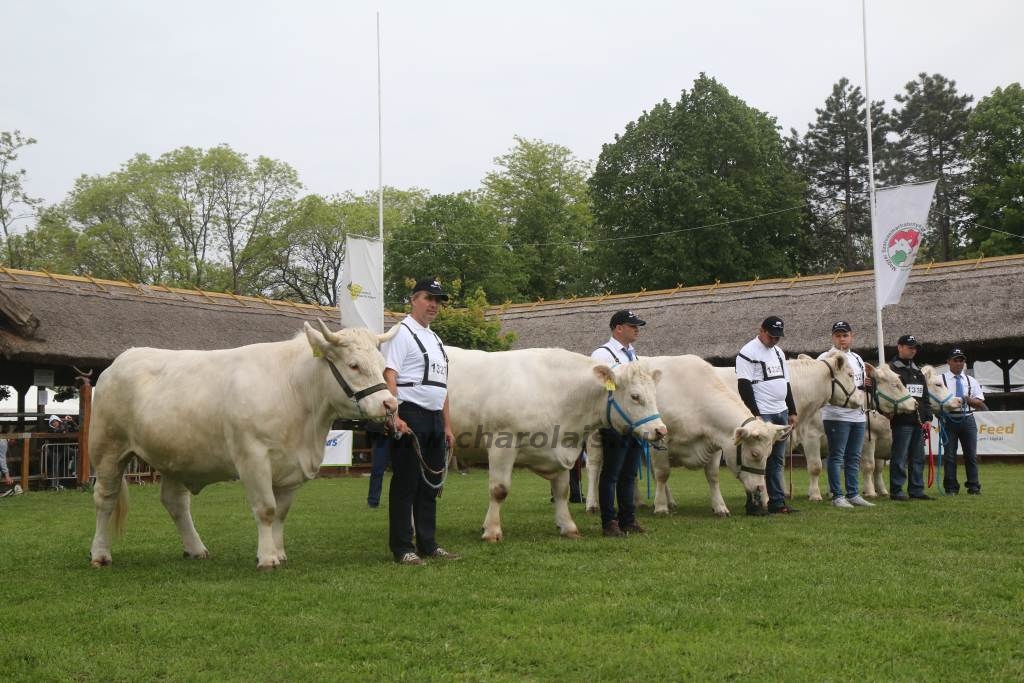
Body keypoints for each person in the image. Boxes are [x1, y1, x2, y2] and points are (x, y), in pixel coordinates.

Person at [382, 277, 458, 565]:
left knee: (431, 483)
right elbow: (390, 375)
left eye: (438, 300)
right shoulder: (400, 333)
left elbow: (442, 386)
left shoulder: (435, 339)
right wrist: (395, 415)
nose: (434, 305)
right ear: (413, 299)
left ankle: (428, 543)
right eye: (428, 298)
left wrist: (447, 426)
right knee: (406, 483)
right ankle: (403, 547)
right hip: (410, 414)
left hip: (434, 418)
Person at [591, 309, 647, 536]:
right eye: (632, 326)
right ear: (618, 328)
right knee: (612, 473)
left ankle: (628, 519)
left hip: (633, 420)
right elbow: (598, 386)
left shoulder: (633, 354)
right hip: (614, 421)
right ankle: (609, 522)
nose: (637, 330)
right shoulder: (602, 354)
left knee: (629, 473)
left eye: (637, 326)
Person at [736, 315, 799, 514]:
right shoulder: (748, 352)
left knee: (777, 459)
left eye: (777, 337)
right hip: (763, 414)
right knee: (759, 459)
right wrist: (756, 415)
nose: (774, 340)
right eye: (771, 336)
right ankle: (756, 501)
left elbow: (785, 383)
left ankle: (777, 502)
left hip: (781, 411)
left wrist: (792, 410)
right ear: (761, 330)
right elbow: (744, 385)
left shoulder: (779, 352)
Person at [817, 321, 874, 508]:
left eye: (845, 335)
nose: (842, 339)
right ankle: (837, 495)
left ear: (852, 336)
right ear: (832, 337)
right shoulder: (825, 358)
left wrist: (866, 383)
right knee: (836, 456)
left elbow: (856, 383)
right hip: (836, 414)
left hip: (858, 413)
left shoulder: (857, 358)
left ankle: (853, 493)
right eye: (838, 335)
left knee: (854, 456)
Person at [888, 334, 934, 501]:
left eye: (915, 348)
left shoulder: (918, 371)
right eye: (909, 347)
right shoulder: (891, 369)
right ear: (899, 347)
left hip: (919, 422)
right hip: (901, 421)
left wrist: (928, 418)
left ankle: (916, 489)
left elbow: (925, 398)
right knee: (899, 457)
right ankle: (897, 490)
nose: (913, 350)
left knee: (917, 458)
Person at [940, 347, 985, 495]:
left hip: (967, 419)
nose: (959, 363)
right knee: (949, 456)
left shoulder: (971, 380)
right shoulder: (941, 380)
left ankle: (973, 486)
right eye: (956, 360)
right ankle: (951, 488)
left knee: (971, 455)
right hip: (949, 420)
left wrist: (967, 399)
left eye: (962, 360)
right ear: (948, 362)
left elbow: (980, 403)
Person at [365, 431, 391, 508]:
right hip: (383, 436)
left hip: (402, 436)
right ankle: (373, 501)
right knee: (377, 469)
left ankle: (402, 500)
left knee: (403, 471)